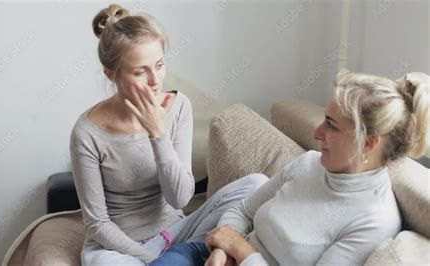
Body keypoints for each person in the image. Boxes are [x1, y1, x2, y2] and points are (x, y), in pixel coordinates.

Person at [152, 69, 429, 266]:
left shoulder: (373, 222)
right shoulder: (309, 164)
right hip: (210, 256)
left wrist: (240, 249)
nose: (318, 133)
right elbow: (243, 210)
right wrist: (222, 251)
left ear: (369, 143)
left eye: (331, 125)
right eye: (324, 119)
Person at [69, 4, 267, 265]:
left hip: (177, 232)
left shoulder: (178, 106)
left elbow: (181, 198)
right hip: (118, 248)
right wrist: (152, 258)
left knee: (257, 184)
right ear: (111, 74)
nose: (155, 80)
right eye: (140, 71)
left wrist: (158, 135)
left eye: (160, 65)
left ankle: (188, 254)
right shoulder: (87, 132)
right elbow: (98, 224)